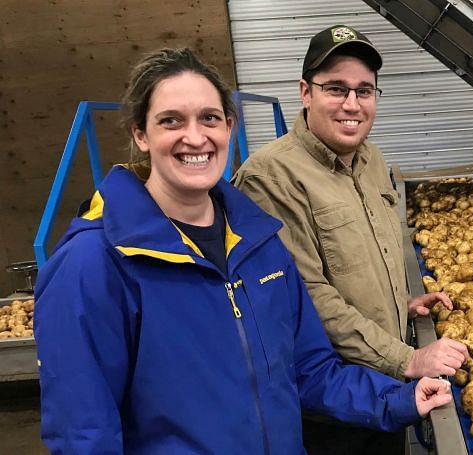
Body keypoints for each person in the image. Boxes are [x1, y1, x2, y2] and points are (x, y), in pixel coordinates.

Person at [33, 47, 451, 454]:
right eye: (171, 120)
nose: (195, 137)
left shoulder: (259, 242)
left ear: (229, 129)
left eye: (210, 118)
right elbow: (84, 435)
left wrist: (398, 400)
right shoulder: (94, 264)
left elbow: (309, 370)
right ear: (140, 134)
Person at [232, 25, 469, 453]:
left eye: (365, 91)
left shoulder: (372, 159)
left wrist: (398, 303)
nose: (352, 104)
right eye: (336, 88)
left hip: (389, 394)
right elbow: (305, 296)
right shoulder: (270, 178)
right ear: (305, 92)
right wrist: (408, 358)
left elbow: (364, 257)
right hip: (333, 409)